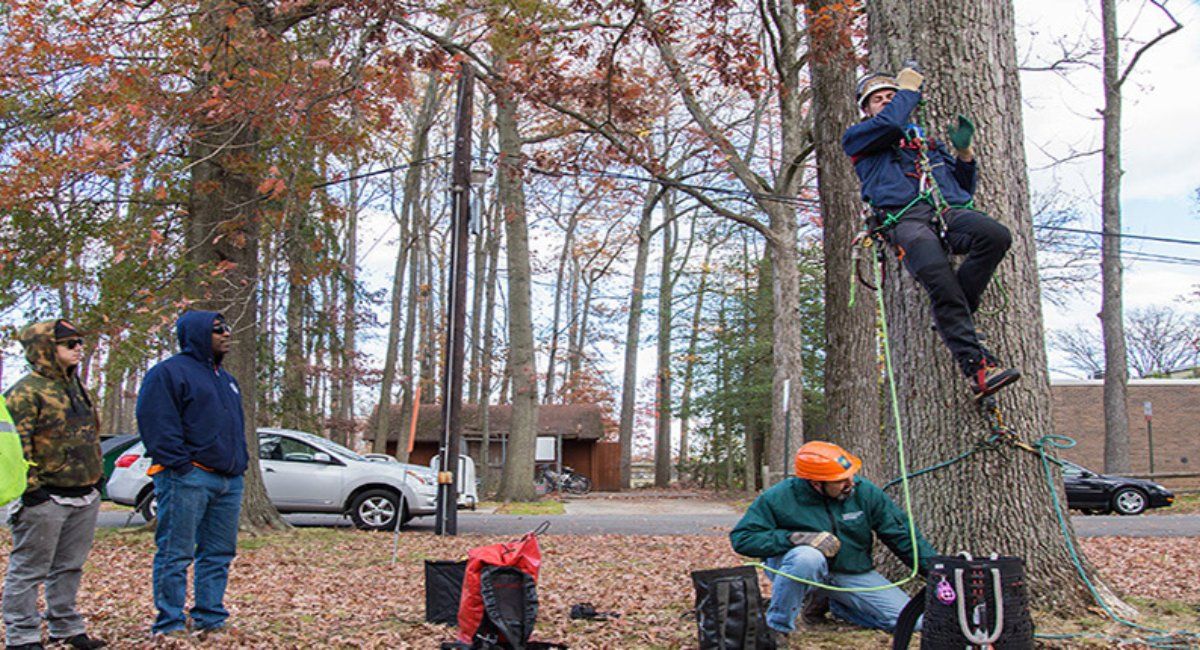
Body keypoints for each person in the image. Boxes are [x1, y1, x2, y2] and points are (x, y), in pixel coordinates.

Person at [842, 66, 1020, 400]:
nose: (886, 102)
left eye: (890, 97)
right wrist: (908, 91)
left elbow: (964, 189)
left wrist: (965, 155)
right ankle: (978, 368)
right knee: (938, 277)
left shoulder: (925, 145)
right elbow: (891, 124)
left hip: (945, 212)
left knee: (995, 236)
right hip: (904, 220)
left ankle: (954, 311)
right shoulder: (859, 138)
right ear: (866, 110)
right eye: (878, 100)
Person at [730, 441, 936, 644]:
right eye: (840, 481)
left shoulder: (865, 492)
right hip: (798, 569)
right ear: (816, 483)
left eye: (850, 476)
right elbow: (743, 538)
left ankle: (838, 605)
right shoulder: (780, 497)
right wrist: (795, 538)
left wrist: (939, 573)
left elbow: (901, 535)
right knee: (807, 558)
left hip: (850, 572)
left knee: (913, 621)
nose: (851, 483)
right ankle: (777, 628)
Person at [135, 311, 248, 638]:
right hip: (188, 477)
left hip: (228, 481)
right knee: (176, 552)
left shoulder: (227, 380)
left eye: (227, 328)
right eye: (217, 330)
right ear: (197, 334)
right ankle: (169, 623)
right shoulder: (168, 374)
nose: (226, 334)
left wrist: (240, 464)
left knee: (218, 553)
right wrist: (182, 466)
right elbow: (156, 424)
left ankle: (210, 617)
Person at [3, 320, 107, 650]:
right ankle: (22, 635)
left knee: (70, 566)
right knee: (29, 569)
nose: (78, 347)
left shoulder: (78, 388)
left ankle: (66, 626)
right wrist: (33, 491)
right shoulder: (25, 392)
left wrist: (95, 480)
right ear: (46, 348)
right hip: (45, 498)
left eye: (79, 341)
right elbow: (16, 445)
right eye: (69, 343)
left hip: (83, 494)